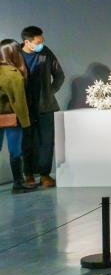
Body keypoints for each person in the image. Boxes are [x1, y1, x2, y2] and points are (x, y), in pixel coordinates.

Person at [21, 26, 64, 188]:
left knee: (47, 141)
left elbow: (59, 75)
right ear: (27, 42)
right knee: (26, 141)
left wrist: (49, 92)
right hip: (25, 106)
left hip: (46, 106)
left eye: (42, 41)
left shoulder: (45, 52)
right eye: (38, 42)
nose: (41, 44)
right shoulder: (16, 54)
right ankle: (29, 175)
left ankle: (45, 175)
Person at [0, 39, 36, 192]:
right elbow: (19, 102)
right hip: (11, 118)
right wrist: (26, 122)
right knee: (15, 151)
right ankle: (18, 184)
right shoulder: (13, 74)